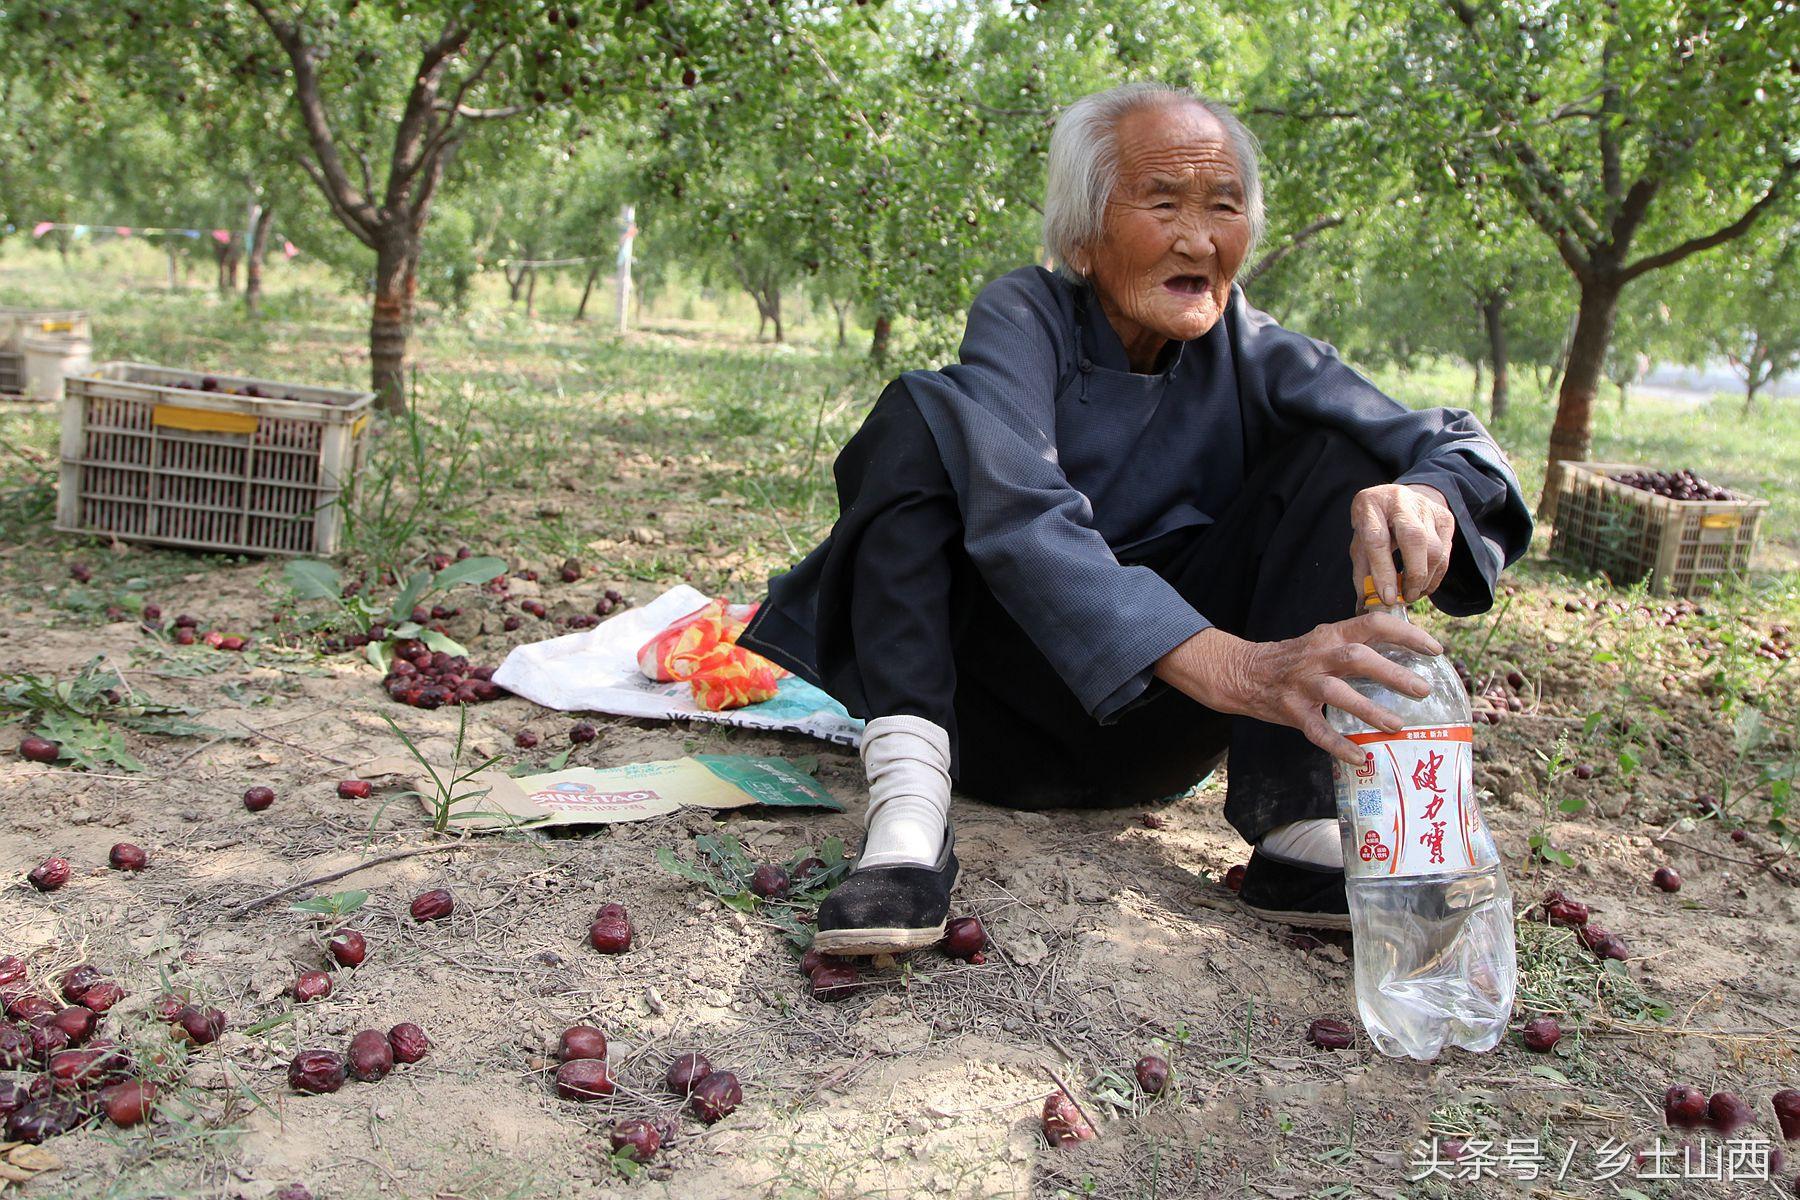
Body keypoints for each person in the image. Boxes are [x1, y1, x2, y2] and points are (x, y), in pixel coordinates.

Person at [737, 82, 1532, 956]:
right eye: (1162, 203)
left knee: (1348, 455)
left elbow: (1457, 442)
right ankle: (909, 815)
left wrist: (1429, 495)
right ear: (1082, 238)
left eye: (1223, 207)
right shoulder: (1023, 315)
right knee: (926, 414)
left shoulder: (1252, 351)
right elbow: (1022, 516)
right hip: (989, 725)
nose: (1199, 238)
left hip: (1157, 735)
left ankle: (1297, 827)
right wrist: (1239, 667)